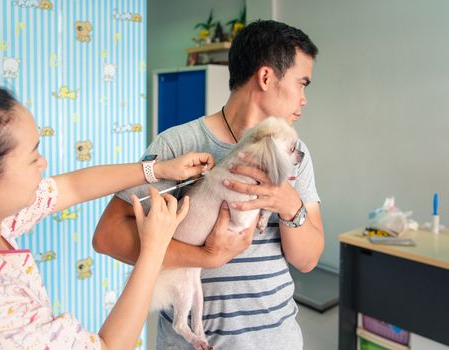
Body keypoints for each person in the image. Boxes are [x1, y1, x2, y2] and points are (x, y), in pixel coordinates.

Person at [0, 82, 215, 349]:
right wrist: (153, 248)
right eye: (32, 157)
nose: (44, 162)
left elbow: (72, 187)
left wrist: (159, 170)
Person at [93, 19, 325, 350]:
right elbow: (107, 236)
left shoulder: (293, 154)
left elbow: (307, 260)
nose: (304, 99)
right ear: (265, 77)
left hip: (278, 339)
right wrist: (204, 256)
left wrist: (289, 204)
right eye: (302, 84)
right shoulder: (177, 145)